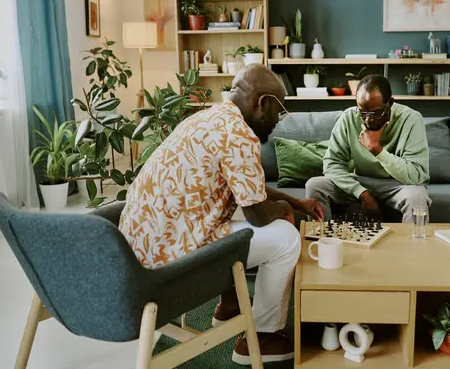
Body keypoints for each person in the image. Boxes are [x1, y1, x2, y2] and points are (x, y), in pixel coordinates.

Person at [119, 64, 323, 365]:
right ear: (262, 103)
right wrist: (283, 211)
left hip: (137, 252)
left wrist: (294, 203)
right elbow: (259, 214)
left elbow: (247, 191)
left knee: (228, 208)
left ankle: (230, 305)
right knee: (287, 238)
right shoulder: (239, 135)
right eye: (278, 113)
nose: (277, 123)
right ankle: (263, 338)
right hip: (167, 266)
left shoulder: (208, 117)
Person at [306, 74, 431, 223]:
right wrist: (361, 193)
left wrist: (377, 150)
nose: (368, 119)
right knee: (315, 185)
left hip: (397, 184)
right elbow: (332, 164)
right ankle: (323, 242)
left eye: (376, 113)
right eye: (363, 112)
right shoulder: (349, 118)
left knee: (418, 197)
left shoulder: (411, 119)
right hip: (361, 181)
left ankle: (412, 246)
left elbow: (418, 176)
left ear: (390, 103)